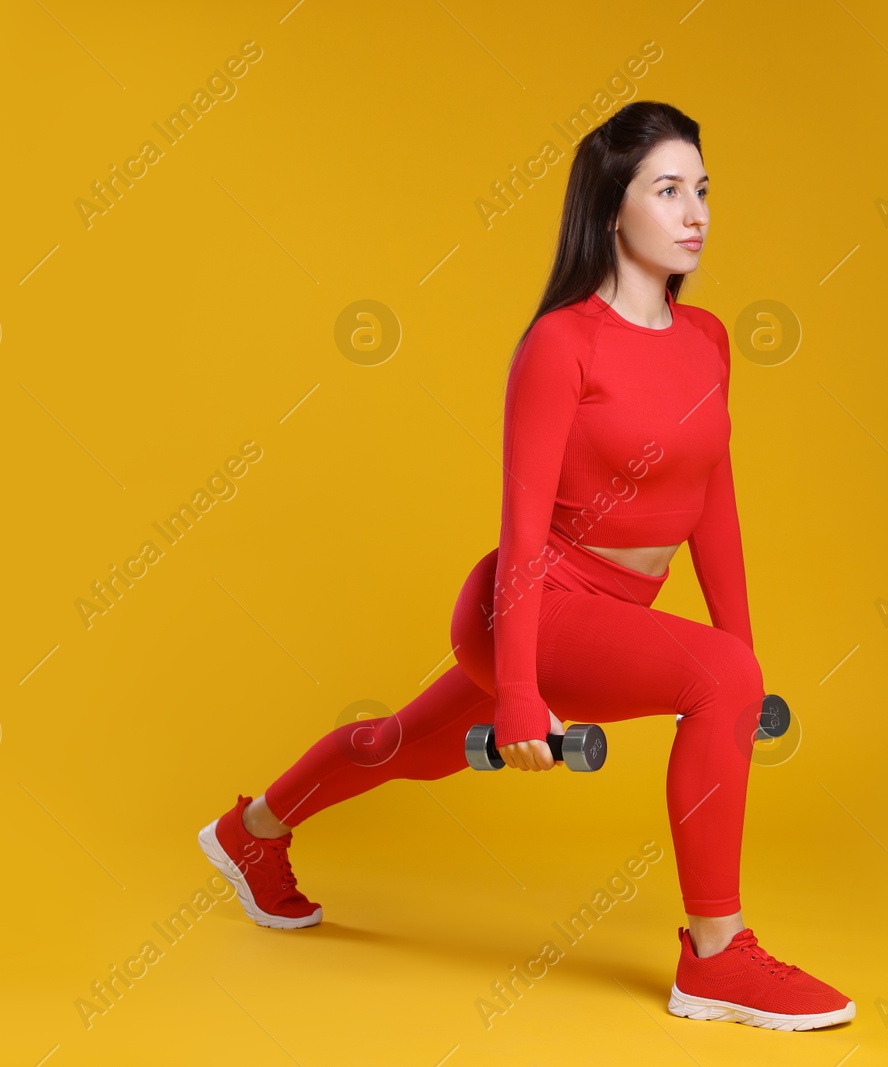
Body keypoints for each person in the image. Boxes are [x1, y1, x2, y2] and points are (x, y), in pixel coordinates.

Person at [198, 100, 854, 1031]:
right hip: (525, 603)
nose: (695, 213)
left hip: (607, 617)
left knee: (404, 749)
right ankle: (716, 957)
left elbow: (715, 501)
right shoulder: (562, 343)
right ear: (612, 208)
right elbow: (519, 521)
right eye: (667, 191)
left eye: (702, 190)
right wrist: (515, 693)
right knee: (712, 678)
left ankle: (250, 829)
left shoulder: (707, 340)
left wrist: (743, 652)